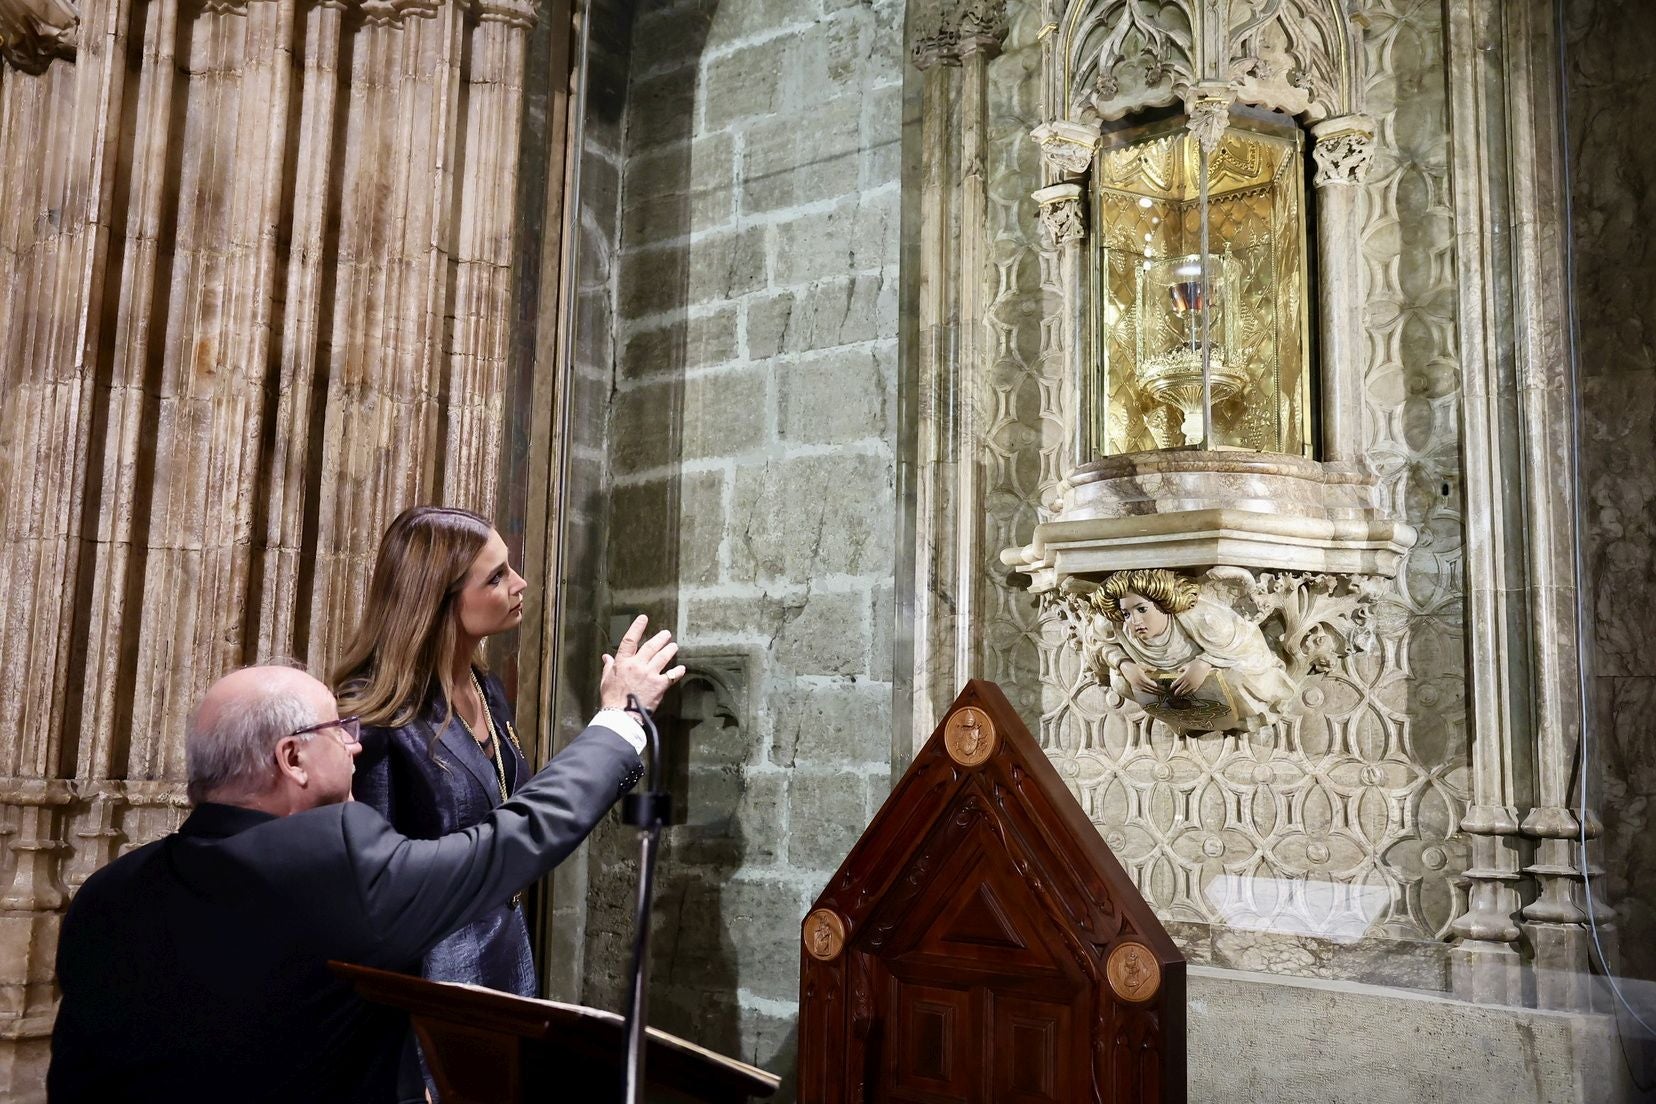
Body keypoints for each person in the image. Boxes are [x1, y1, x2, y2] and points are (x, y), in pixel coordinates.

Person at [48, 614, 682, 1104]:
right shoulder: (333, 858)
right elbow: (511, 841)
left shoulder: (107, 892)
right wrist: (619, 724)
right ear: (292, 759)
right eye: (338, 730)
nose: (356, 744)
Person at [330, 505, 587, 1099]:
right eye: (495, 577)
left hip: (504, 956)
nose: (519, 583)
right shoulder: (376, 716)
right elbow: (373, 898)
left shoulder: (486, 688)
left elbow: (519, 815)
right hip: (430, 982)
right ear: (439, 603)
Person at [1091, 567, 1295, 733]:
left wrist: (1205, 662)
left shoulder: (1206, 619)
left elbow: (1250, 645)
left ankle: (1242, 719)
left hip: (1226, 693)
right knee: (1118, 681)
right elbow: (1099, 643)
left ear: (1163, 603)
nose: (1135, 621)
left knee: (1236, 678)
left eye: (1142, 609)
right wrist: (1124, 665)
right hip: (1175, 700)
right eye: (1126, 613)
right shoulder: (1116, 626)